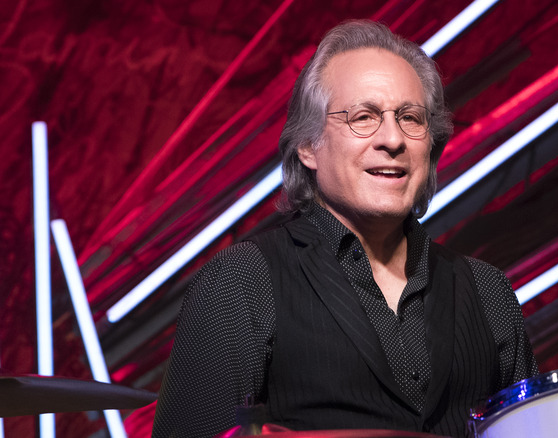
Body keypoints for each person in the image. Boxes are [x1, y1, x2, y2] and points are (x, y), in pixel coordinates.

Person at [152, 20, 537, 438]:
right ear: (308, 145)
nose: (392, 139)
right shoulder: (241, 281)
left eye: (410, 118)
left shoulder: (488, 291)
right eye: (364, 117)